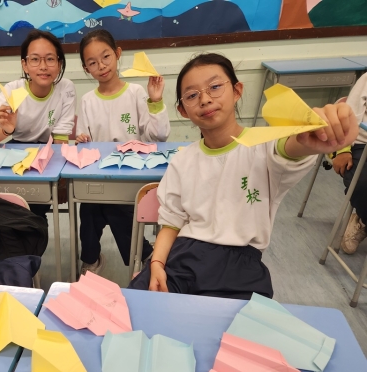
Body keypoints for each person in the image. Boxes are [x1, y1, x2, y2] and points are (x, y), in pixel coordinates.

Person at [129, 53, 358, 299]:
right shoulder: (182, 160)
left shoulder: (263, 147)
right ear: (183, 110)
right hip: (183, 257)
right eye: (192, 95)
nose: (205, 99)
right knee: (133, 305)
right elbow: (171, 222)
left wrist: (309, 138)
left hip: (241, 266)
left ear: (237, 90)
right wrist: (157, 263)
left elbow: (289, 148)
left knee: (239, 323)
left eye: (215, 87)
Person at [75, 29, 170, 275]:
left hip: (131, 175)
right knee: (90, 208)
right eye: (92, 63)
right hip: (99, 176)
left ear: (118, 54)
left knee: (107, 207)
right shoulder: (87, 100)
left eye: (106, 57)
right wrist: (81, 139)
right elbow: (84, 141)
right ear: (86, 68)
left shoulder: (136, 92)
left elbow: (158, 137)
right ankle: (140, 254)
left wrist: (156, 102)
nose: (101, 66)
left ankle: (97, 258)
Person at [0, 29, 75, 218]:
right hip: (15, 150)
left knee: (36, 207)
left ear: (59, 63)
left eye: (50, 59)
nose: (43, 66)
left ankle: (34, 226)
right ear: (24, 64)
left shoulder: (66, 88)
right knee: (8, 205)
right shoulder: (13, 90)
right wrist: (6, 130)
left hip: (48, 153)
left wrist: (62, 179)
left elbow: (61, 140)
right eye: (35, 59)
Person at [333, 72, 367, 254]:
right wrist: (343, 149)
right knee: (360, 184)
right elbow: (349, 114)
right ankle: (363, 219)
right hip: (361, 142)